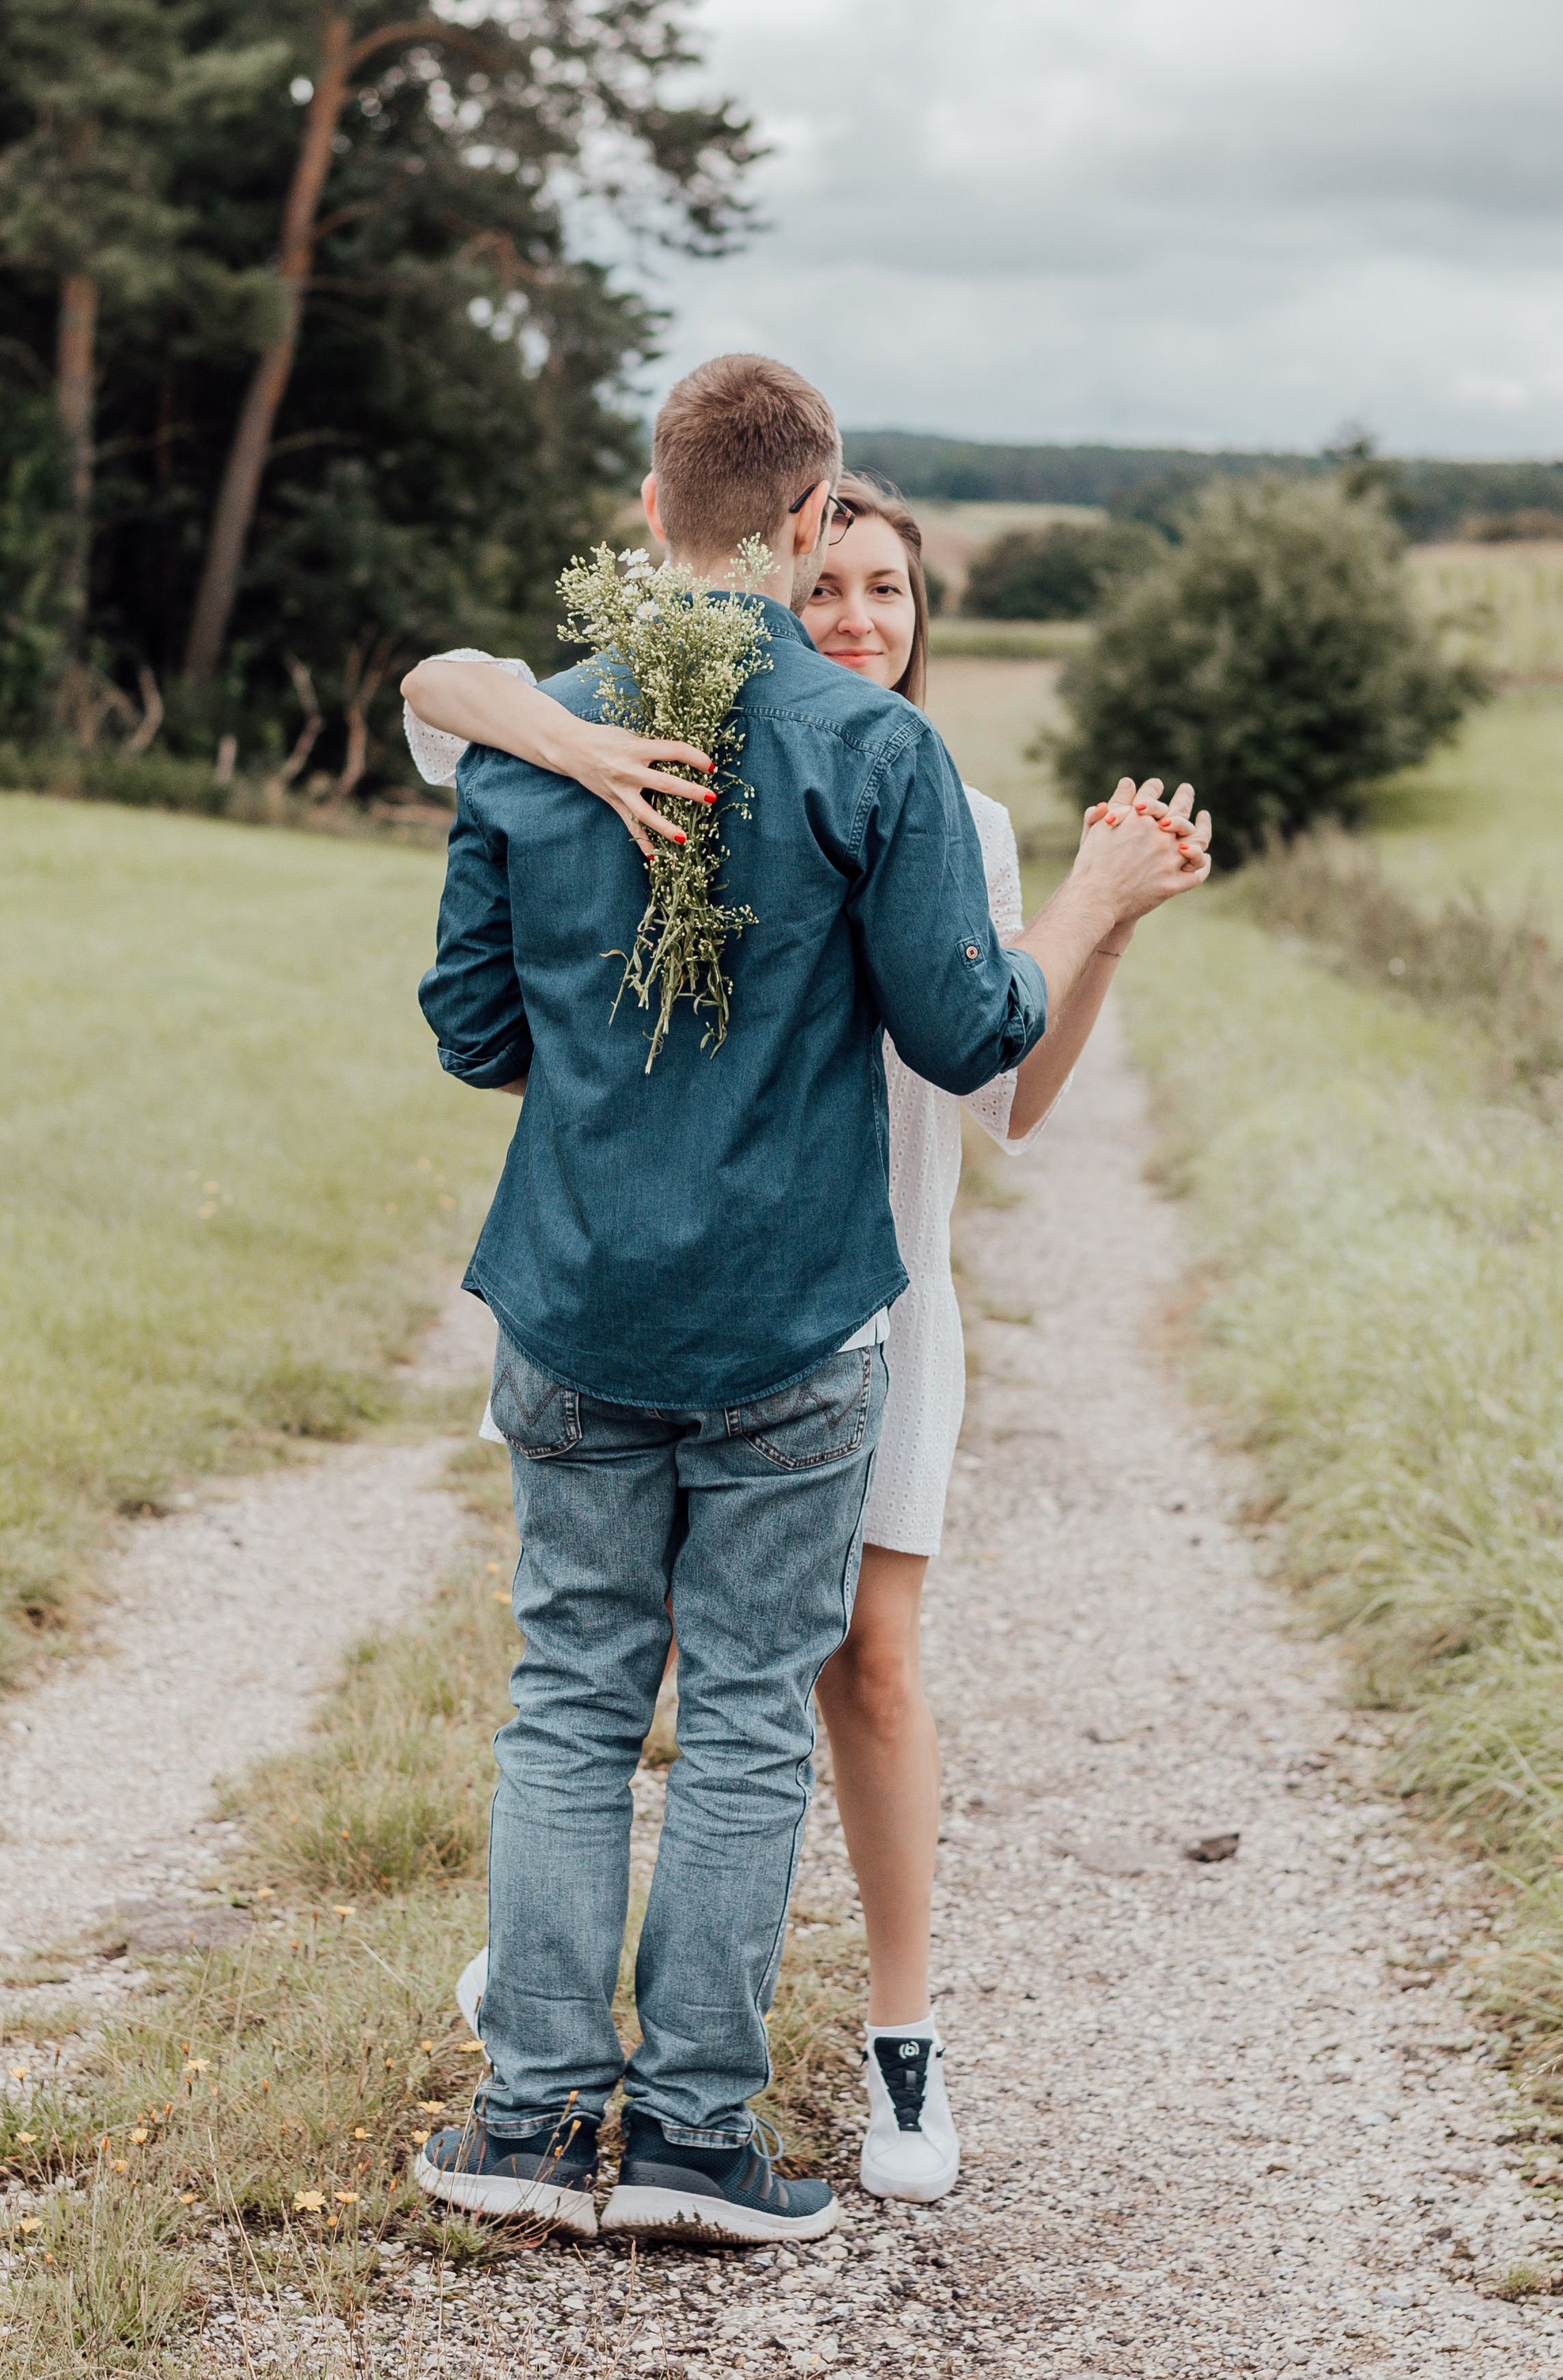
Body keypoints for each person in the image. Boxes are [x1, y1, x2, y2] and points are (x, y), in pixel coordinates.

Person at [411, 353, 1207, 2245]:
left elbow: (469, 1030)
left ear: (645, 511)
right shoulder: (875, 752)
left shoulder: (543, 740)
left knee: (572, 1699)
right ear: (798, 521)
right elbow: (968, 1029)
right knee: (754, 1714)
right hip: (788, 1326)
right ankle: (691, 2142)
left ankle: (527, 2128)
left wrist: (621, 1059)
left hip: (575, 1302)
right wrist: (1082, 913)